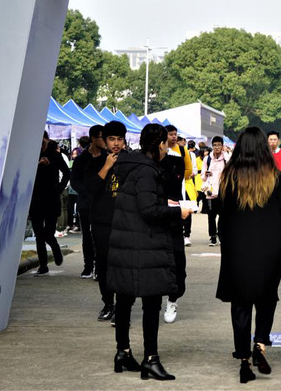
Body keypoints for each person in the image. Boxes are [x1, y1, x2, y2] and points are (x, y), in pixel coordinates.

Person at [216, 127, 281, 384]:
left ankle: (243, 358)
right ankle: (260, 343)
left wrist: (225, 242)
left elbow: (222, 213)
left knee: (240, 304)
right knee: (266, 298)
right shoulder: (276, 178)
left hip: (237, 249)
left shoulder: (229, 177)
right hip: (269, 249)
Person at [108, 123, 194, 381]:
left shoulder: (129, 165)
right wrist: (176, 211)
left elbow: (139, 201)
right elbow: (148, 210)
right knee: (151, 302)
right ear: (159, 144)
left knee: (124, 299)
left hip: (126, 241)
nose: (167, 148)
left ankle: (123, 352)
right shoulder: (146, 170)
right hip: (143, 244)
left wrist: (163, 201)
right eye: (165, 144)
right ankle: (151, 359)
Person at [87, 120, 127, 321]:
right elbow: (90, 190)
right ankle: (108, 303)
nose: (116, 143)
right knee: (103, 264)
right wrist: (106, 166)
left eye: (119, 139)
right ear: (105, 140)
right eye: (112, 139)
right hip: (102, 222)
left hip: (125, 222)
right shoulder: (96, 162)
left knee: (123, 265)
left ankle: (122, 307)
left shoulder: (131, 162)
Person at [30, 132, 70, 276]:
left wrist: (59, 188)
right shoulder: (31, 154)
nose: (41, 146)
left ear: (47, 140)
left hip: (51, 197)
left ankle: (55, 246)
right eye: (38, 143)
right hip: (35, 198)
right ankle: (43, 265)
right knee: (38, 234)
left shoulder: (55, 155)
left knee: (48, 231)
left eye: (43, 143)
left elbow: (67, 173)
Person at [159, 125, 187, 324]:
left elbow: (181, 184)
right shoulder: (143, 164)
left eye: (174, 134)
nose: (173, 137)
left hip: (174, 214)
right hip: (153, 217)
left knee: (177, 261)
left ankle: (173, 299)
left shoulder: (178, 158)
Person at [70, 125, 104, 279]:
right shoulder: (81, 159)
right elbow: (75, 181)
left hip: (103, 203)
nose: (104, 141)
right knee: (87, 236)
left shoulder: (107, 157)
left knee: (101, 235)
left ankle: (99, 266)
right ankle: (88, 266)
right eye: (101, 137)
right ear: (93, 138)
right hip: (86, 203)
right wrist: (86, 191)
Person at [201, 136, 229, 246]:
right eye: (214, 145)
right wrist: (206, 174)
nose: (217, 147)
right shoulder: (207, 159)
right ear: (212, 146)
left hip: (223, 191)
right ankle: (212, 236)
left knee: (223, 215)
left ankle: (221, 234)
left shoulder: (226, 158)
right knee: (211, 215)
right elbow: (202, 176)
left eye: (219, 145)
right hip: (210, 191)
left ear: (222, 146)